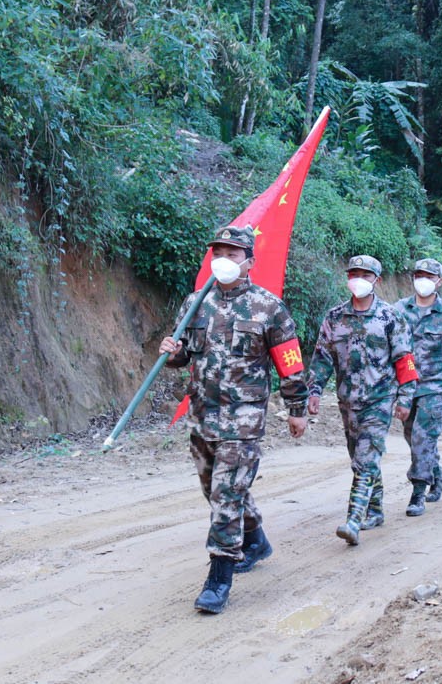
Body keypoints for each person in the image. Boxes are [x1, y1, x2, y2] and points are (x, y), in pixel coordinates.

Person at [160, 225, 309, 615]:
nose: (224, 259)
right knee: (214, 489)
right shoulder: (197, 302)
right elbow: (182, 356)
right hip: (203, 413)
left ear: (249, 261)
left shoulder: (269, 308)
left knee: (226, 496)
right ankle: (255, 539)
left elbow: (290, 365)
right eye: (219, 252)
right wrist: (171, 351)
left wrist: (297, 410)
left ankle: (218, 578)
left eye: (233, 253)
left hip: (244, 418)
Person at [309, 254, 418, 545]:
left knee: (366, 458)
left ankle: (353, 520)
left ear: (377, 281)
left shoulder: (390, 317)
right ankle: (375, 509)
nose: (359, 279)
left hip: (380, 399)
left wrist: (405, 397)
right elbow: (322, 358)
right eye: (354, 273)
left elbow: (404, 359)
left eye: (365, 275)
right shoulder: (334, 317)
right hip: (348, 400)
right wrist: (315, 390)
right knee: (360, 457)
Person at [393, 258, 442, 517]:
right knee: (411, 436)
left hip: (435, 387)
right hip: (406, 387)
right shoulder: (398, 310)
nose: (423, 280)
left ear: (440, 281)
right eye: (419, 275)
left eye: (429, 276)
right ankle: (438, 475)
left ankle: (418, 493)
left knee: (422, 437)